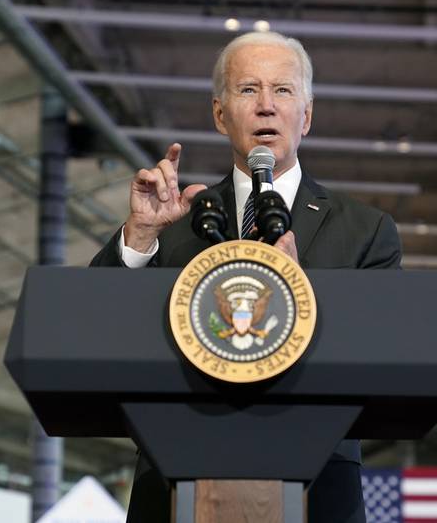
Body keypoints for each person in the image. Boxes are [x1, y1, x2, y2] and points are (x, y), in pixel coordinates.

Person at [91, 31, 401, 523]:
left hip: (318, 488)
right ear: (219, 114)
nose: (265, 107)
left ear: (307, 115)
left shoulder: (367, 230)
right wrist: (140, 236)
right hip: (175, 484)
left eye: (282, 90)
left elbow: (386, 358)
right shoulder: (179, 218)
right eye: (248, 90)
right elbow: (94, 327)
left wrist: (298, 296)